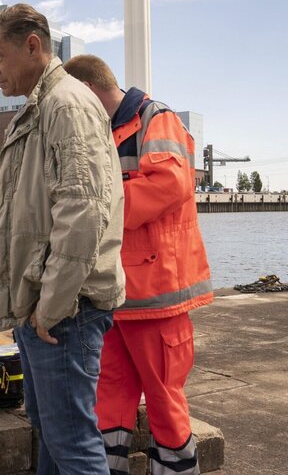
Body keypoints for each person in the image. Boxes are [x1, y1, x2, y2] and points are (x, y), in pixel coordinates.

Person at [0, 3, 126, 474]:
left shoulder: (65, 104)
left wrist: (51, 306)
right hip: (46, 306)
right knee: (53, 432)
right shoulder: (44, 106)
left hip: (64, 311)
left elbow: (83, 211)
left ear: (32, 45)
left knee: (72, 441)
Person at [64, 54, 213, 475]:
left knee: (164, 401)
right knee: (108, 399)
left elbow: (169, 184)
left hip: (155, 297)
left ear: (88, 91)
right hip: (114, 295)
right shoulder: (110, 130)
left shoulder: (155, 118)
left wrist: (93, 204)